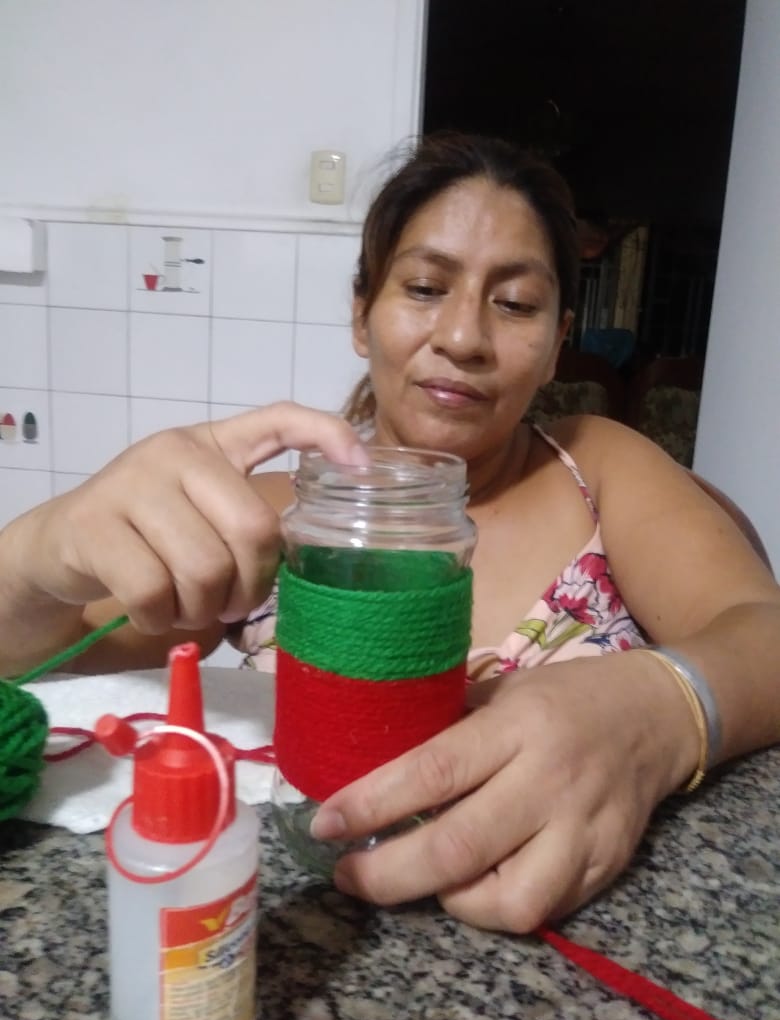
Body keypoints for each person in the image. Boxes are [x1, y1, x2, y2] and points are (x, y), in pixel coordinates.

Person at [1, 133, 778, 936]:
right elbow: (40, 664)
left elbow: (765, 633)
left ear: (556, 345)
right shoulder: (280, 520)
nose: (464, 337)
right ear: (361, 315)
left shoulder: (602, 469)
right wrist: (33, 555)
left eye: (515, 303)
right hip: (316, 910)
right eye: (426, 287)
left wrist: (654, 709)